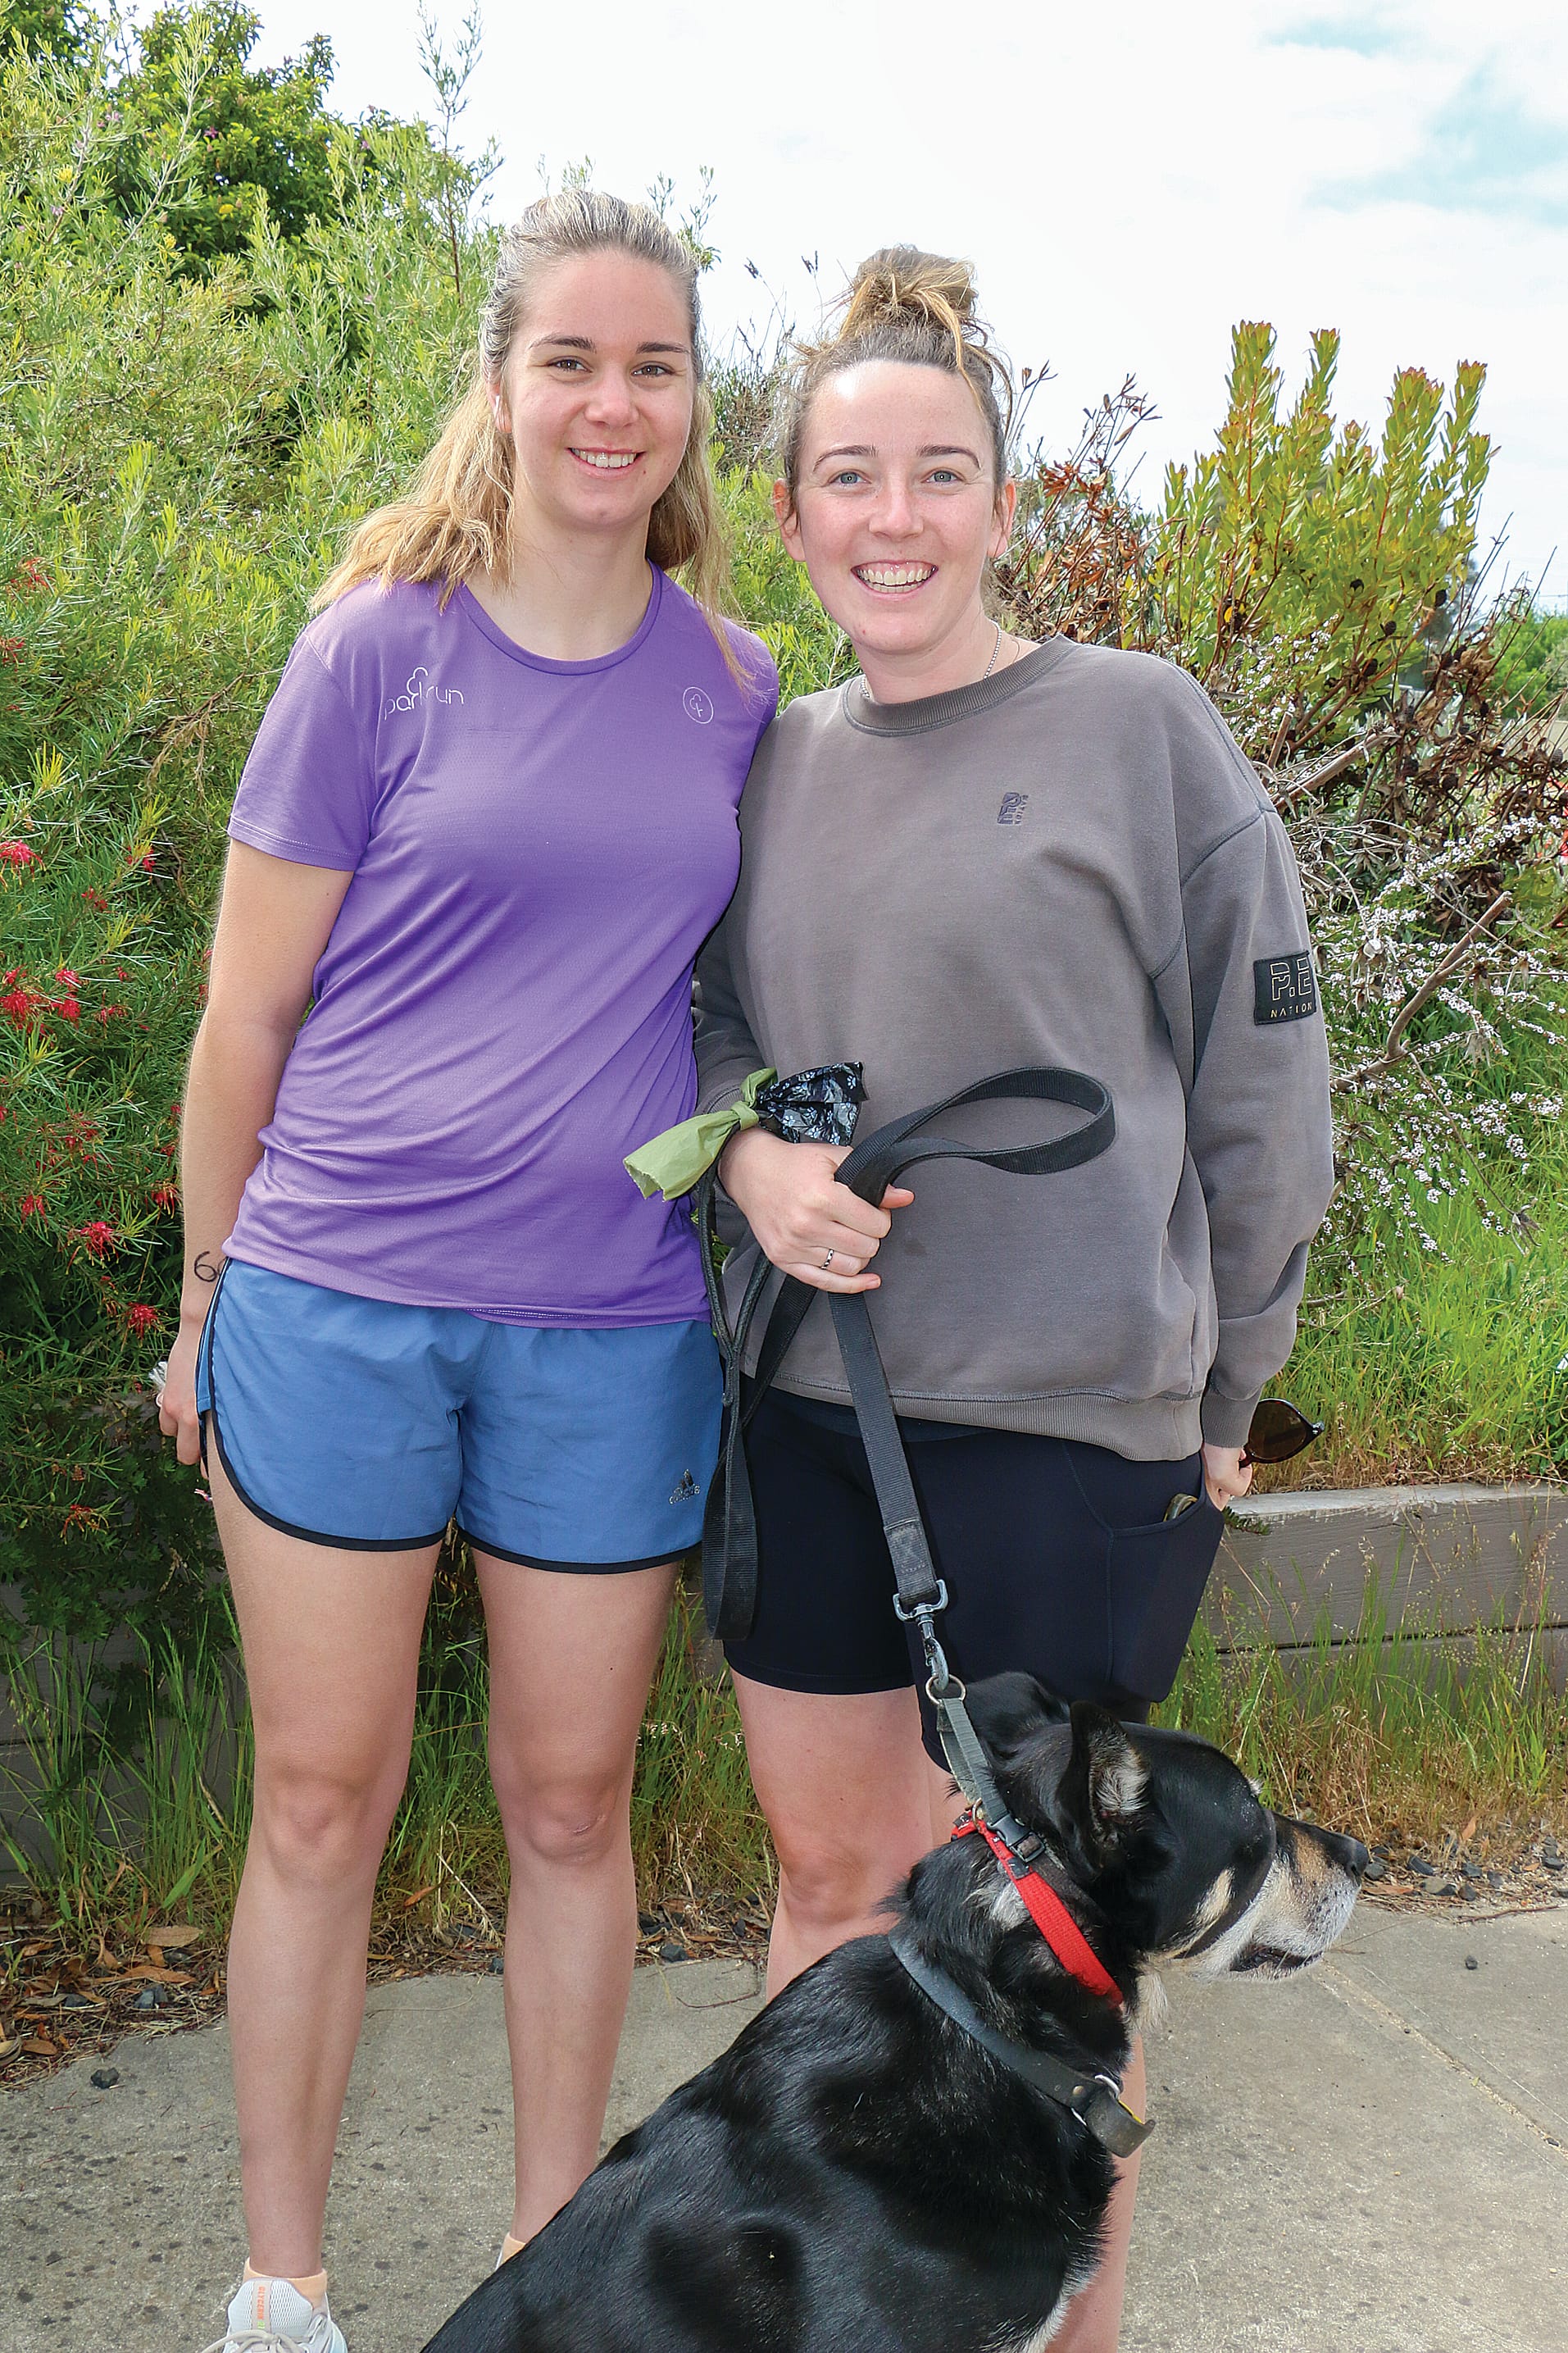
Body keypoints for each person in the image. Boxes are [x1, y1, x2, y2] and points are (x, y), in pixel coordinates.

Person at [694, 247, 1333, 2353]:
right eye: (851, 478)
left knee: (1056, 1949)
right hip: (821, 1419)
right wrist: (752, 1152)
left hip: (1075, 1432)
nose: (896, 518)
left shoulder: (1142, 729)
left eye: (939, 473)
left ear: (1001, 497)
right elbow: (685, 1037)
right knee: (828, 1904)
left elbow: (1262, 1080)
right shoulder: (765, 759)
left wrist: (1239, 1376)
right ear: (787, 511)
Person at [157, 189, 775, 2353]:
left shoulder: (734, 686)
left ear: (696, 402)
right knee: (320, 1798)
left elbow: (736, 1003)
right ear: (498, 384)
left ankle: (553, 2272)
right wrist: (205, 1293)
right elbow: (242, 1018)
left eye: (654, 364)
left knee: (569, 1800)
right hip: (334, 1296)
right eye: (571, 360)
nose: (612, 402)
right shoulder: (374, 651)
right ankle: (283, 2280)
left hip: (610, 1326)